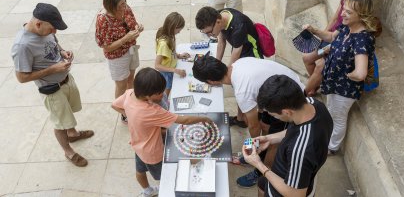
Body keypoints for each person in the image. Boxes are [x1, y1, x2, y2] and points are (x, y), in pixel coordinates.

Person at [192, 55, 305, 187]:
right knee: (264, 125)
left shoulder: (242, 90)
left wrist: (252, 149)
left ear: (211, 81)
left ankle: (262, 171)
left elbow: (253, 127)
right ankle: (260, 156)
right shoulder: (238, 64)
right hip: (281, 88)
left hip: (291, 100)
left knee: (273, 142)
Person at [11, 3, 94, 167]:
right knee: (60, 123)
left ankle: (72, 133)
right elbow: (21, 77)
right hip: (51, 89)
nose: (54, 32)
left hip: (66, 80)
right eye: (52, 28)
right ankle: (68, 152)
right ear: (38, 24)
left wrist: (62, 52)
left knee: (68, 113)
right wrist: (52, 69)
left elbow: (54, 42)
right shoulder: (22, 45)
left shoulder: (45, 29)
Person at [111, 68, 212, 197]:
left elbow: (114, 105)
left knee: (140, 171)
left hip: (137, 146)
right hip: (153, 153)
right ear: (148, 95)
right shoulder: (152, 110)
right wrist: (204, 118)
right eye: (159, 93)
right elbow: (184, 120)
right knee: (165, 176)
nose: (163, 94)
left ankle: (147, 191)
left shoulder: (130, 93)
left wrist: (130, 116)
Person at [303, 0, 377, 154]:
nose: (342, 13)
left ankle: (332, 147)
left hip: (345, 89)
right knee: (331, 110)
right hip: (333, 83)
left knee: (338, 117)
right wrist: (313, 30)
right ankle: (327, 138)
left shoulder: (362, 40)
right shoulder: (347, 28)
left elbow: (360, 73)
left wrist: (348, 76)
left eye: (348, 12)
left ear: (361, 15)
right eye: (344, 9)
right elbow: (330, 37)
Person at [242, 75, 333, 197]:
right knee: (263, 183)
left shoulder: (301, 150)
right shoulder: (315, 105)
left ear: (286, 112)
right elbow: (300, 130)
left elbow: (296, 194)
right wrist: (269, 138)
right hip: (285, 173)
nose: (274, 117)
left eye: (273, 115)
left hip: (286, 189)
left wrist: (259, 165)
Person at [302, 0, 371, 96]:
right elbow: (335, 18)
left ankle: (307, 92)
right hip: (331, 39)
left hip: (338, 47)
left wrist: (332, 46)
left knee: (320, 67)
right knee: (307, 58)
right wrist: (323, 34)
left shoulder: (362, 9)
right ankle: (318, 83)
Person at [196, 6, 263, 127]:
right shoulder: (221, 15)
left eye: (209, 32)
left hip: (252, 53)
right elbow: (221, 43)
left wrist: (220, 75)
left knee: (243, 86)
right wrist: (213, 67)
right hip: (240, 49)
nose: (210, 35)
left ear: (217, 22)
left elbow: (236, 54)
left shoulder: (238, 27)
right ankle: (240, 118)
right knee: (236, 84)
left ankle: (258, 115)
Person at [95, 0, 144, 123]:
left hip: (132, 49)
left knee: (131, 79)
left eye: (124, 2)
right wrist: (126, 38)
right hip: (117, 57)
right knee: (121, 84)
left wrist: (137, 28)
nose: (123, 7)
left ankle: (132, 104)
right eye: (119, 5)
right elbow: (106, 47)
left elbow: (132, 24)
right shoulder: (103, 19)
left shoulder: (126, 8)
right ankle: (123, 111)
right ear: (110, 5)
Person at [155, 12, 190, 97]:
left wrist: (178, 56)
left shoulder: (169, 34)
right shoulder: (164, 43)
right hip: (166, 73)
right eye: (179, 29)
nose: (179, 31)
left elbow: (171, 51)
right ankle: (164, 108)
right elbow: (157, 65)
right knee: (165, 95)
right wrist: (175, 70)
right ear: (173, 27)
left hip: (171, 68)